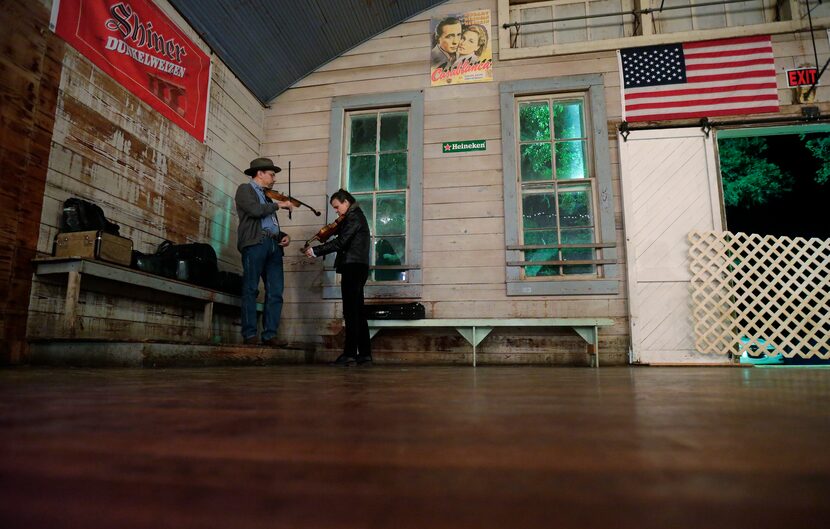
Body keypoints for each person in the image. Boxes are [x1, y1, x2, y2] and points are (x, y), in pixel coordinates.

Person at [304, 189, 372, 366]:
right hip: (358, 266)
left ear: (346, 202)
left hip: (353, 266)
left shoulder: (354, 217)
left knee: (351, 311)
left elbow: (341, 242)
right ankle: (365, 355)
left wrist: (315, 250)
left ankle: (349, 354)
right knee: (358, 311)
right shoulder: (354, 217)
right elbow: (340, 235)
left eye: (337, 207)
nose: (336, 211)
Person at [235, 157, 295, 346]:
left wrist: (282, 235)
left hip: (272, 244)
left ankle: (270, 335)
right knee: (251, 289)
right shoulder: (245, 189)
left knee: (276, 291)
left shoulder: (267, 196)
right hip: (255, 243)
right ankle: (250, 335)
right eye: (271, 174)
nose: (274, 178)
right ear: (259, 173)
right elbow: (254, 211)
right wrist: (279, 204)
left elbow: (269, 222)